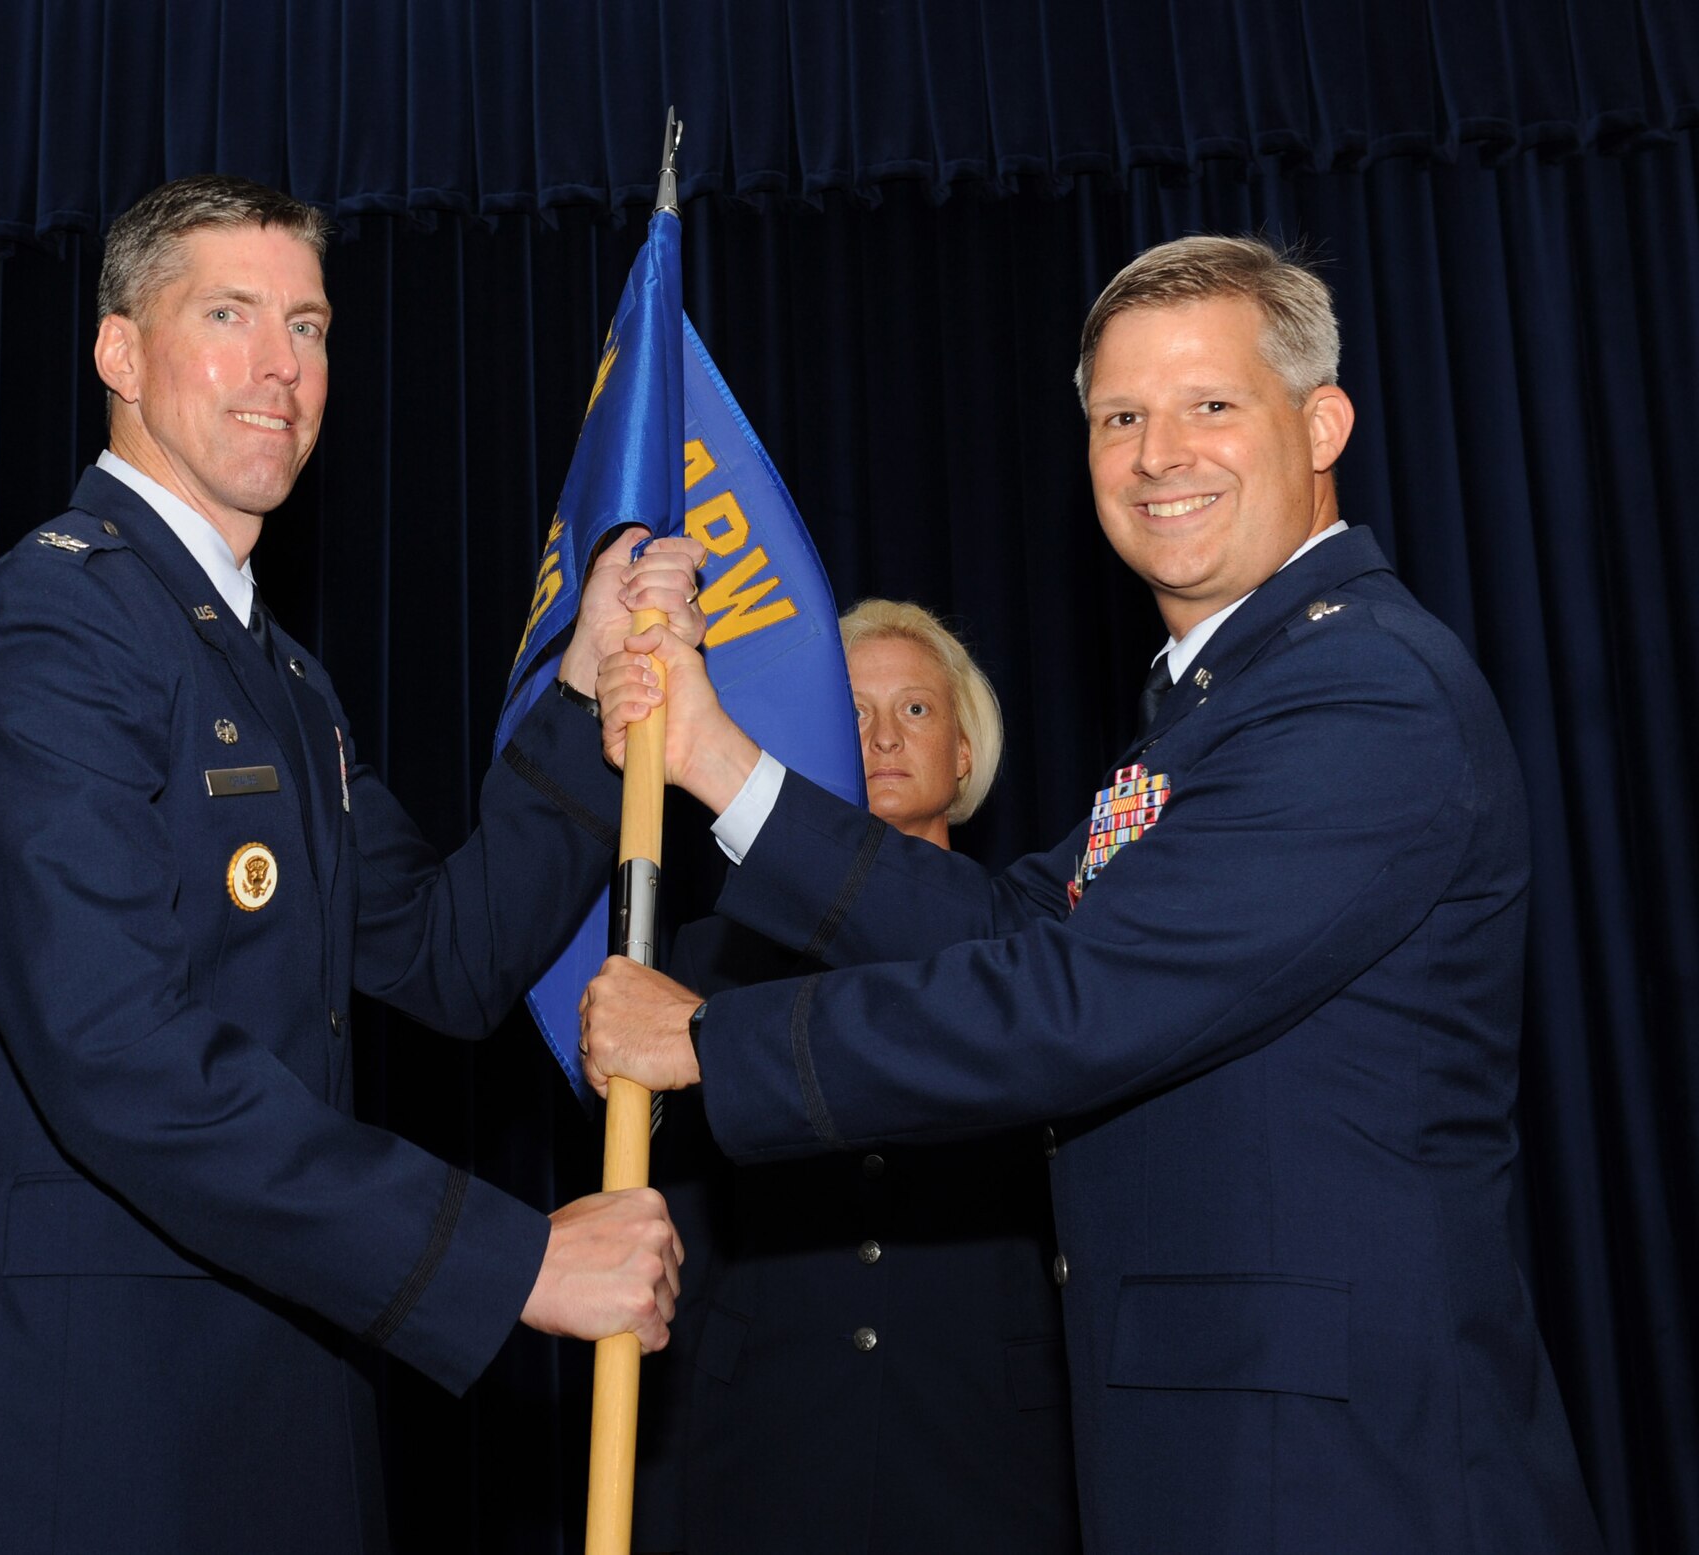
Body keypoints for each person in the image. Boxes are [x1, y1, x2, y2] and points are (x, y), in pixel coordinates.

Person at [581, 236, 1604, 1551]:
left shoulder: (1362, 695)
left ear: (1323, 419)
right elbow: (1020, 925)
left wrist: (715, 1039)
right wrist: (719, 755)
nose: (1160, 453)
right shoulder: (1218, 703)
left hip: (1341, 1465)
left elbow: (1073, 1000)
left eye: (1210, 406)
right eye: (1122, 416)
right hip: (1218, 1433)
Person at [0, 174, 706, 1555]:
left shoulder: (276, 673)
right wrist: (512, 1257)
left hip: (283, 1395)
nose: (279, 368)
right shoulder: (48, 631)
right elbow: (123, 1059)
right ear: (118, 351)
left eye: (306, 326)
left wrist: (587, 693)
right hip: (91, 1428)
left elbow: (444, 952)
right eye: (229, 314)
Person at [632, 601, 1078, 1554]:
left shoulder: (1041, 949)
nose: (880, 735)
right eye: (852, 710)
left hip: (989, 1448)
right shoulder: (709, 957)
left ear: (965, 752)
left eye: (914, 711)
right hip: (765, 1442)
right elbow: (679, 1226)